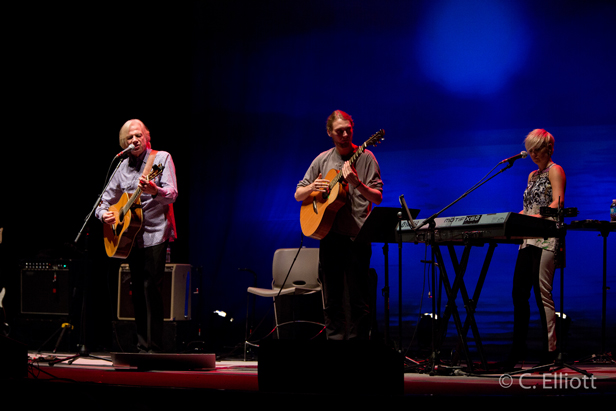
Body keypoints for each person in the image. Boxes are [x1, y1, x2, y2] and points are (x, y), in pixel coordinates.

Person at [295, 110, 383, 340]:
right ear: (329, 133)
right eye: (339, 131)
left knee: (358, 301)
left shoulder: (366, 157)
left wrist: (358, 184)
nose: (344, 135)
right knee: (332, 300)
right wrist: (313, 187)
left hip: (357, 237)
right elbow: (298, 194)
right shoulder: (322, 160)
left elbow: (377, 197)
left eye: (348, 130)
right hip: (330, 236)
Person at [95, 119, 178, 353]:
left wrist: (155, 190)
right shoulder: (121, 166)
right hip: (131, 237)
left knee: (152, 288)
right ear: (124, 142)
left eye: (138, 136)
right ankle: (142, 347)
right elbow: (104, 200)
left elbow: (172, 194)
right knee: (137, 292)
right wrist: (104, 215)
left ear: (146, 137)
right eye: (129, 137)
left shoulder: (161, 159)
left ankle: (155, 348)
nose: (134, 140)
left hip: (156, 232)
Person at [505, 128, 566, 369]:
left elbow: (557, 203)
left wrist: (532, 219)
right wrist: (512, 219)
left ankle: (551, 351)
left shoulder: (555, 170)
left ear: (548, 148)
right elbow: (529, 207)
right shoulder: (532, 175)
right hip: (527, 238)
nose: (533, 154)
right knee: (518, 294)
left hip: (546, 237)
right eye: (530, 150)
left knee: (542, 295)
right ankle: (517, 350)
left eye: (537, 149)